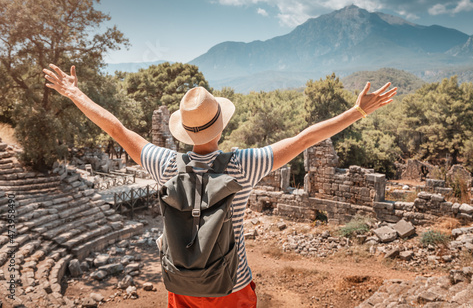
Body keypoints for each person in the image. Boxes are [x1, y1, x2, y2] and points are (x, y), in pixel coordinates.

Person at [43, 63, 397, 307]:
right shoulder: (244, 165)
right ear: (221, 125)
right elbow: (304, 139)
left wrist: (75, 93)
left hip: (181, 286)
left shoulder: (165, 164)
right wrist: (357, 111)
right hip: (233, 286)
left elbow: (118, 130)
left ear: (184, 129)